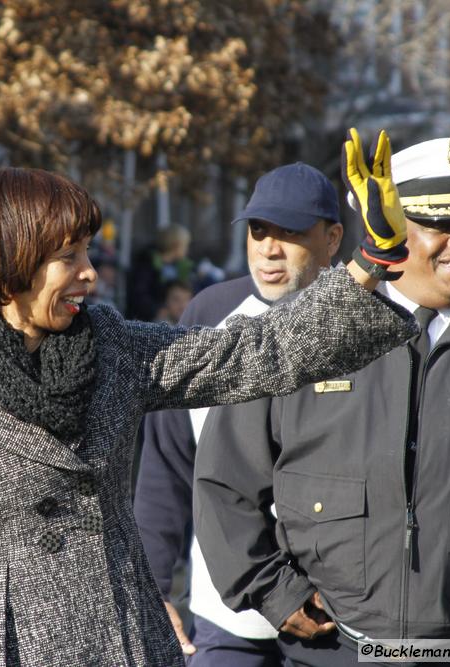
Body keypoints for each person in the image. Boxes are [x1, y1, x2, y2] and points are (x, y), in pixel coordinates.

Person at [0, 131, 417, 666]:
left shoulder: (115, 349)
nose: (90, 273)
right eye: (68, 257)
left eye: (88, 252)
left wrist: (372, 261)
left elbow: (254, 351)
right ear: (8, 268)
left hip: (120, 629)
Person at [194, 135, 450, 667]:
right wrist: (274, 592)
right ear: (389, 229)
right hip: (334, 651)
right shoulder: (307, 334)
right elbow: (226, 480)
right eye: (440, 225)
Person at [134, 162, 344, 666]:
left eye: (290, 232)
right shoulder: (209, 315)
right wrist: (155, 586)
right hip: (227, 619)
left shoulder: (373, 318)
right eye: (258, 231)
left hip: (342, 620)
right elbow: (167, 464)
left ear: (332, 238)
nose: (269, 248)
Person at [127, 223, 194, 320]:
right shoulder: (147, 263)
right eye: (185, 246)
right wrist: (156, 310)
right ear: (176, 245)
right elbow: (138, 295)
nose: (187, 250)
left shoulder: (179, 266)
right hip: (149, 321)